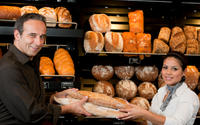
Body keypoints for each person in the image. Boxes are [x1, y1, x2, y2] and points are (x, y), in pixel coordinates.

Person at [0, 13, 91, 125]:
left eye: (42, 36)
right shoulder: (9, 68)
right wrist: (67, 109)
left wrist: (53, 97)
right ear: (17, 35)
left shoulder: (29, 61)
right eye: (32, 35)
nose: (39, 42)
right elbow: (31, 113)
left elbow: (29, 98)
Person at [117, 51, 200, 125]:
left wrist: (144, 113)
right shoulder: (160, 93)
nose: (168, 72)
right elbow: (151, 121)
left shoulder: (189, 97)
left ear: (184, 72)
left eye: (174, 69)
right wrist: (134, 110)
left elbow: (176, 122)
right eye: (165, 67)